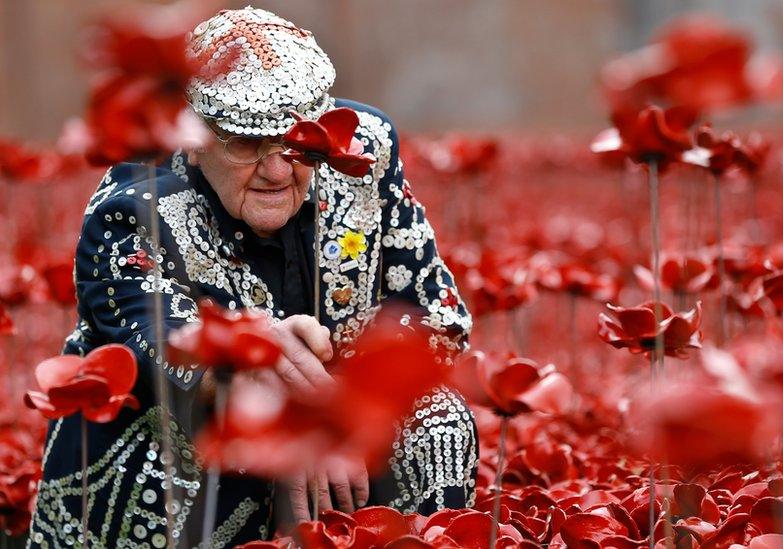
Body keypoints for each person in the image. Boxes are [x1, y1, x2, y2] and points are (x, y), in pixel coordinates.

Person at [27, 7, 478, 548]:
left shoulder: (365, 148)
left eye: (297, 144)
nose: (276, 170)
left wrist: (334, 408)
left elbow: (437, 317)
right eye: (245, 144)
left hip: (348, 432)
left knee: (438, 420)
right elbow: (155, 349)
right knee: (210, 441)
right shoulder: (134, 203)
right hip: (180, 455)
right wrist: (248, 372)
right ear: (196, 135)